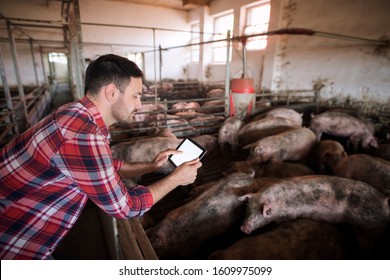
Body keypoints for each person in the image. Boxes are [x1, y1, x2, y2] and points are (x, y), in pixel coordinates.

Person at [0, 54, 202, 259]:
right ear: (112, 92)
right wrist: (177, 178)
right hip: (15, 240)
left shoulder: (73, 113)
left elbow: (102, 165)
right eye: (136, 95)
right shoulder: (85, 136)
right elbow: (127, 207)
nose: (139, 104)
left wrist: (150, 166)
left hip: (20, 221)